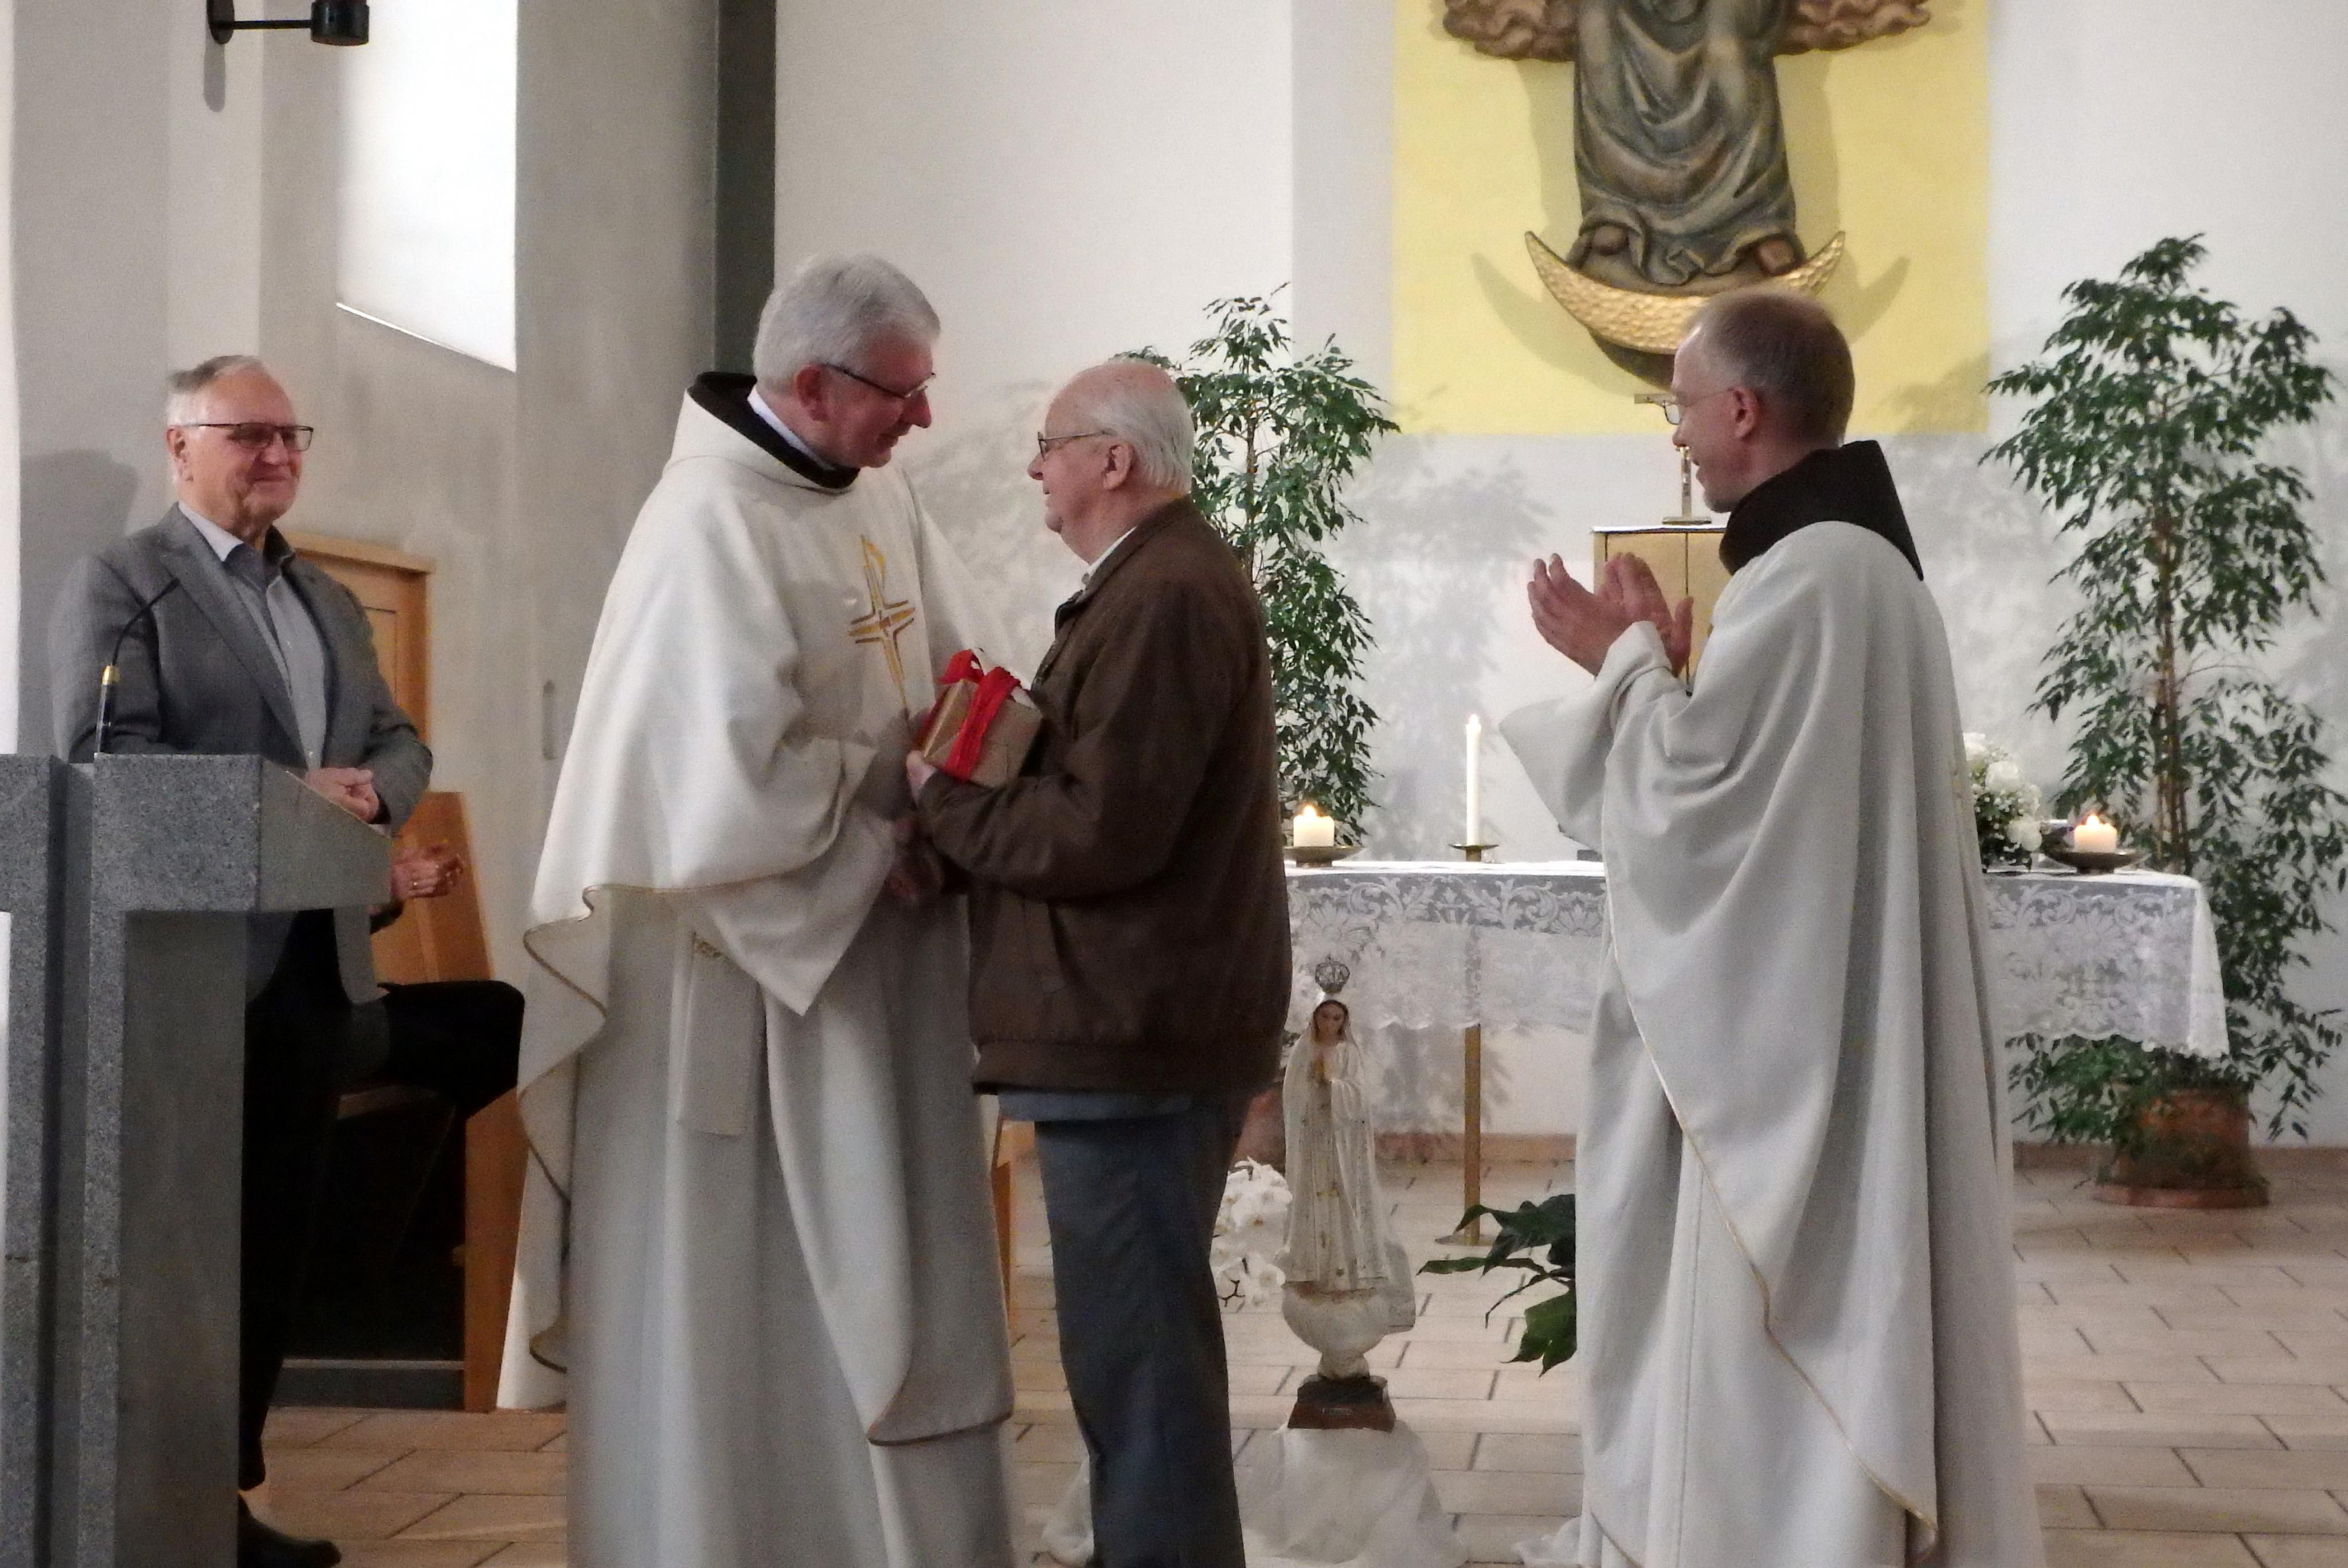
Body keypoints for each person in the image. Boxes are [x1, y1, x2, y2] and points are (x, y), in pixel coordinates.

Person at [1498, 289, 2042, 1567]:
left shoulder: (1808, 578)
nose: (1679, 436)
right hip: (1827, 1022)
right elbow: (1758, 804)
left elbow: (1693, 814)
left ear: (1742, 408)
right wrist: (1657, 672)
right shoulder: (1854, 569)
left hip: (1796, 1065)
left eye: (1683, 408)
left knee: (1769, 1309)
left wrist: (1624, 661)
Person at [502, 254, 1015, 1567]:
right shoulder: (703, 525)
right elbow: (715, 790)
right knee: (743, 1299)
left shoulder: (879, 498)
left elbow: (967, 669)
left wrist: (954, 804)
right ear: (811, 382)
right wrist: (886, 824)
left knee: (895, 1267)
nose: (922, 418)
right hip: (738, 989)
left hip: (872, 956)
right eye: (901, 392)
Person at [48, 354, 432, 1568]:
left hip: (314, 962)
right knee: (183, 1250)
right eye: (248, 435)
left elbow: (397, 738)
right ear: (179, 448)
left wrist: (373, 796)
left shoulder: (322, 597)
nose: (277, 455)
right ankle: (155, 1504)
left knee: (270, 1243)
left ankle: (221, 1494)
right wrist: (286, 795)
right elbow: (106, 761)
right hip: (192, 975)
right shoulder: (128, 585)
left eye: (290, 436)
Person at [910, 357, 1290, 1568]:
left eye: (1051, 444)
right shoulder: (1152, 581)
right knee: (1138, 1363)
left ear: (1113, 460)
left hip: (1130, 1034)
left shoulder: (1164, 593)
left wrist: (941, 801)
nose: (1035, 467)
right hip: (1129, 1023)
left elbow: (1102, 829)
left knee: (1140, 1373)